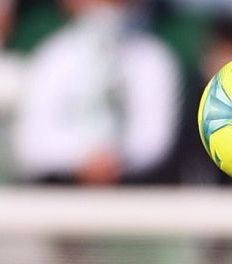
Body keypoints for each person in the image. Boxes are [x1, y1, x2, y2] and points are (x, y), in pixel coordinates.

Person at [10, 0, 179, 184]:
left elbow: (153, 141)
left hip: (133, 190)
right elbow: (31, 144)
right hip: (61, 190)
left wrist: (112, 158)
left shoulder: (152, 57)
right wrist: (83, 158)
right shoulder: (53, 56)